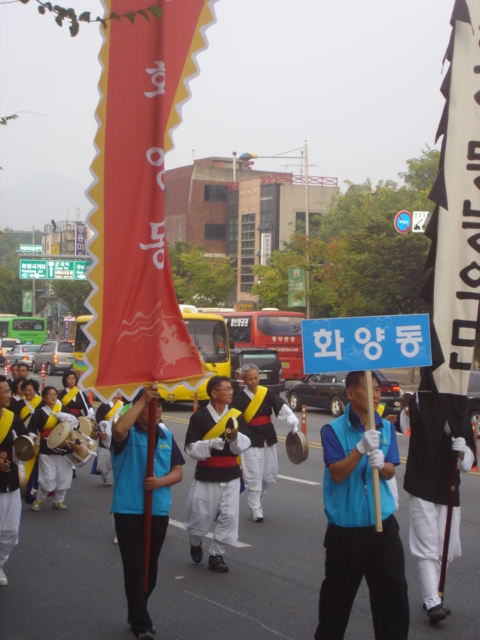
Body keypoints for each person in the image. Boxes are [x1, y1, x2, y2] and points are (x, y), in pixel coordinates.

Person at [315, 370, 409, 640]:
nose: (377, 393)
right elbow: (337, 473)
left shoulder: (386, 427)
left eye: (379, 389)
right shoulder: (332, 430)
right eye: (370, 388)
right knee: (336, 604)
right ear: (351, 393)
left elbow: (391, 470)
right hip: (347, 532)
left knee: (393, 600)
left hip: (384, 528)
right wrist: (359, 449)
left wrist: (383, 464)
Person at [111, 384, 184, 640]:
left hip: (158, 512)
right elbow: (119, 429)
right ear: (138, 407)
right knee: (135, 568)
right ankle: (142, 624)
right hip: (129, 510)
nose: (157, 410)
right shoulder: (127, 434)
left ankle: (136, 612)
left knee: (150, 570)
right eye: (151, 405)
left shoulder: (165, 436)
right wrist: (142, 400)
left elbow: (178, 471)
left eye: (160, 405)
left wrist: (159, 482)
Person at [404, 390, 476, 624]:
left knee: (446, 546)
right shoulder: (420, 400)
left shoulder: (462, 408)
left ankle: (432, 594)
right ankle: (433, 600)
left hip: (448, 486)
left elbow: (468, 462)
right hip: (422, 481)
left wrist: (463, 449)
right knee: (426, 543)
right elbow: (411, 421)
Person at [184, 375, 251, 573]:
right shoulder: (199, 417)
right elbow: (190, 448)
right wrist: (209, 444)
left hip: (230, 474)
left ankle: (216, 554)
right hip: (207, 474)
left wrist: (236, 441)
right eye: (226, 389)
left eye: (231, 389)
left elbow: (247, 441)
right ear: (214, 393)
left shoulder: (236, 416)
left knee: (229, 516)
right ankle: (195, 542)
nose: (231, 392)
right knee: (200, 515)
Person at [230, 364, 298, 522]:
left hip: (268, 436)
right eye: (250, 379)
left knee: (268, 475)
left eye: (256, 378)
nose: (253, 381)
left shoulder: (266, 393)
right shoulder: (239, 399)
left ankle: (258, 496)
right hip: (251, 439)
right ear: (243, 379)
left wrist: (292, 420)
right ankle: (254, 506)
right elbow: (233, 419)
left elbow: (281, 406)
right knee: (253, 475)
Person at [28, 386, 78, 511]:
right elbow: (30, 429)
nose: (53, 397)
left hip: (64, 448)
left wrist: (69, 419)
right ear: (44, 397)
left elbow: (76, 425)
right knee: (47, 478)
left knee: (64, 477)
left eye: (55, 394)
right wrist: (34, 438)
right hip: (46, 448)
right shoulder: (39, 413)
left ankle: (58, 501)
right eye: (50, 394)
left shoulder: (64, 410)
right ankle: (39, 499)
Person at [0, 378, 30, 586]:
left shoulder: (12, 418)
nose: (10, 395)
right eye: (5, 392)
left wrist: (27, 446)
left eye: (9, 391)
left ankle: (0, 563)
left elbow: (25, 442)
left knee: (10, 531)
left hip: (9, 483)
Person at [94, 393, 124, 486]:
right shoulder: (103, 406)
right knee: (106, 456)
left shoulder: (122, 405)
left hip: (118, 432)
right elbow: (98, 420)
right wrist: (103, 430)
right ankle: (106, 478)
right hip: (106, 432)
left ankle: (119, 478)